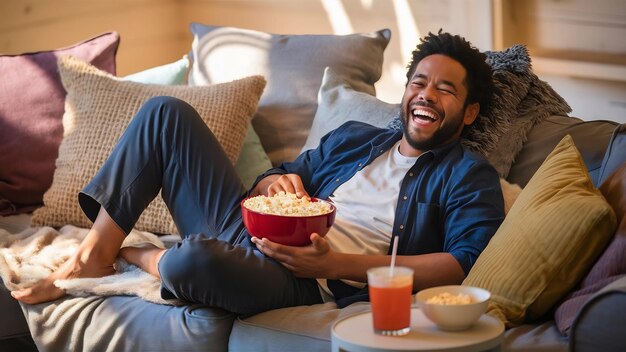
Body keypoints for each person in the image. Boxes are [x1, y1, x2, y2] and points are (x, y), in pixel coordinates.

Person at [12, 31, 504, 315]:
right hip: (247, 227)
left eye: (445, 90)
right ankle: (93, 257)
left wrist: (333, 267)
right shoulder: (357, 138)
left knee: (192, 265)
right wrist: (276, 183)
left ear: (469, 112)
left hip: (306, 280)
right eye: (419, 82)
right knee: (165, 114)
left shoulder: (468, 174)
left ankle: (134, 253)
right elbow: (278, 176)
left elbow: (462, 263)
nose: (426, 94)